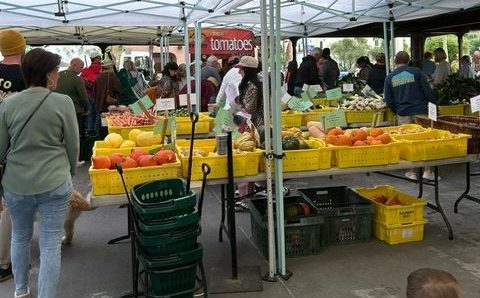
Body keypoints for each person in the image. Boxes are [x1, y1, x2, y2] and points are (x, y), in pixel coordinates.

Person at [0, 47, 79, 298]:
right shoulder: (63, 102)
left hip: (16, 183)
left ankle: (21, 291)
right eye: (56, 70)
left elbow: (1, 149)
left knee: (20, 238)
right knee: (50, 245)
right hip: (55, 181)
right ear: (47, 74)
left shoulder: (7, 104)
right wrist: (68, 172)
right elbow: (73, 145)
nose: (57, 75)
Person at [384, 51, 437, 180]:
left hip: (403, 112)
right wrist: (434, 105)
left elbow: (388, 99)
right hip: (421, 110)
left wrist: (397, 110)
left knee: (407, 141)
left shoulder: (390, 77)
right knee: (425, 139)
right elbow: (427, 91)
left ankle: (411, 171)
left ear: (395, 62)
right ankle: (428, 171)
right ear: (408, 61)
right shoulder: (417, 72)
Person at [0, 28, 26, 284]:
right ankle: (3, 262)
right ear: (21, 47)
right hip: (15, 147)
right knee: (11, 205)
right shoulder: (25, 76)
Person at [55, 58, 89, 165]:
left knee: (59, 135)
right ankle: (75, 160)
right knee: (74, 135)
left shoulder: (57, 75)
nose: (81, 70)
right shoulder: (77, 79)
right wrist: (87, 108)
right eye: (80, 67)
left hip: (57, 110)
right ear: (74, 65)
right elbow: (83, 97)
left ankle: (60, 158)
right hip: (75, 111)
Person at [235, 56, 264, 133]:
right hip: (250, 125)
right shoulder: (249, 84)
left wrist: (235, 107)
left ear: (247, 70)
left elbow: (249, 110)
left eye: (241, 69)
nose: (239, 72)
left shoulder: (253, 87)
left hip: (255, 126)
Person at [81, 52, 102, 136]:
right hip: (98, 95)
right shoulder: (103, 69)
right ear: (97, 58)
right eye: (99, 58)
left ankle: (90, 133)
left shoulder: (85, 70)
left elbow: (81, 82)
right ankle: (96, 134)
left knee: (90, 114)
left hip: (88, 94)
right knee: (98, 114)